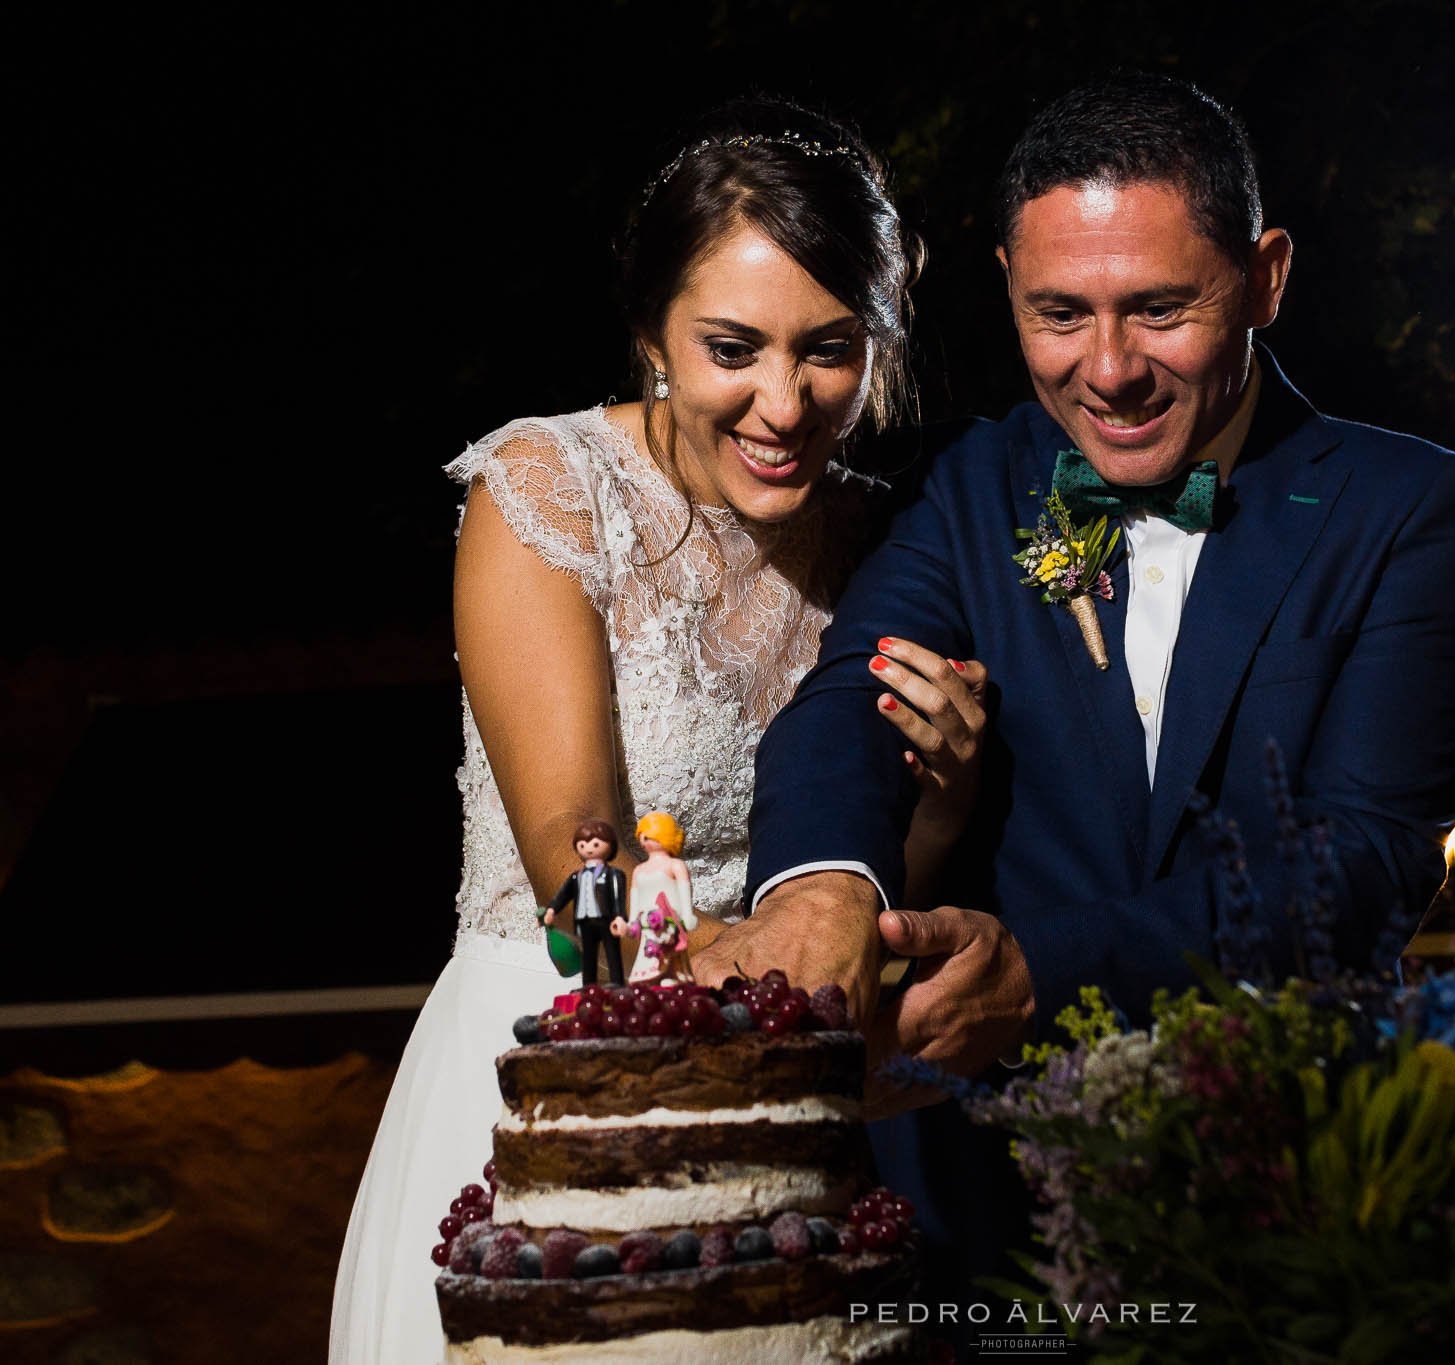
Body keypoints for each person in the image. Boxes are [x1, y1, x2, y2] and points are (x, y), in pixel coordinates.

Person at [692, 73, 1455, 1294]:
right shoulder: (962, 485)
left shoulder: (1408, 509)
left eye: (1159, 309)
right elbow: (849, 696)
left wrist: (1040, 975)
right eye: (1058, 314)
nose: (1107, 371)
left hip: (1283, 1207)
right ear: (1006, 280)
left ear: (1265, 277)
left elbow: (1366, 861)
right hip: (981, 1216)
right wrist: (815, 894)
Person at [329, 97, 993, 1363]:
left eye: (829, 350)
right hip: (552, 1074)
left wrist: (945, 796)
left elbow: (857, 892)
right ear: (651, 336)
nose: (783, 403)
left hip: (787, 1121)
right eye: (732, 348)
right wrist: (770, 990)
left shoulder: (883, 544)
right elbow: (573, 860)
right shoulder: (546, 491)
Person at [542, 818, 627, 987]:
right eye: (582, 845)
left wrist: (620, 917)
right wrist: (552, 910)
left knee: (612, 950)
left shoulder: (613, 875)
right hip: (585, 921)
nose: (588, 849)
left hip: (606, 919)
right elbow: (563, 895)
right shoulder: (577, 876)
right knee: (588, 953)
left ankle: (617, 982)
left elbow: (618, 897)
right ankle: (589, 986)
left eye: (595, 844)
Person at [618, 810, 695, 983]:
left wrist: (687, 914)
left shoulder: (675, 865)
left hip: (669, 917)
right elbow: (635, 896)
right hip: (648, 920)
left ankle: (672, 977)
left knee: (671, 950)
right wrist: (632, 920)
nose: (644, 841)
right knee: (648, 951)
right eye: (642, 837)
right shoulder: (639, 870)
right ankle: (649, 978)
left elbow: (684, 889)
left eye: (648, 836)